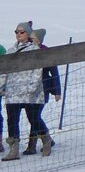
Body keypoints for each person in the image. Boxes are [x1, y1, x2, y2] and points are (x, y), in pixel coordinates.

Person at [1, 22, 58, 160]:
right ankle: (14, 149)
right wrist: (2, 86)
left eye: (22, 32)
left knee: (33, 118)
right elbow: (4, 71)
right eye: (16, 32)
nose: (18, 34)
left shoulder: (35, 51)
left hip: (29, 93)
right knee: (12, 120)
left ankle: (46, 139)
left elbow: (37, 72)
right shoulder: (11, 51)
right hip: (13, 92)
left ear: (28, 34)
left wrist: (31, 88)